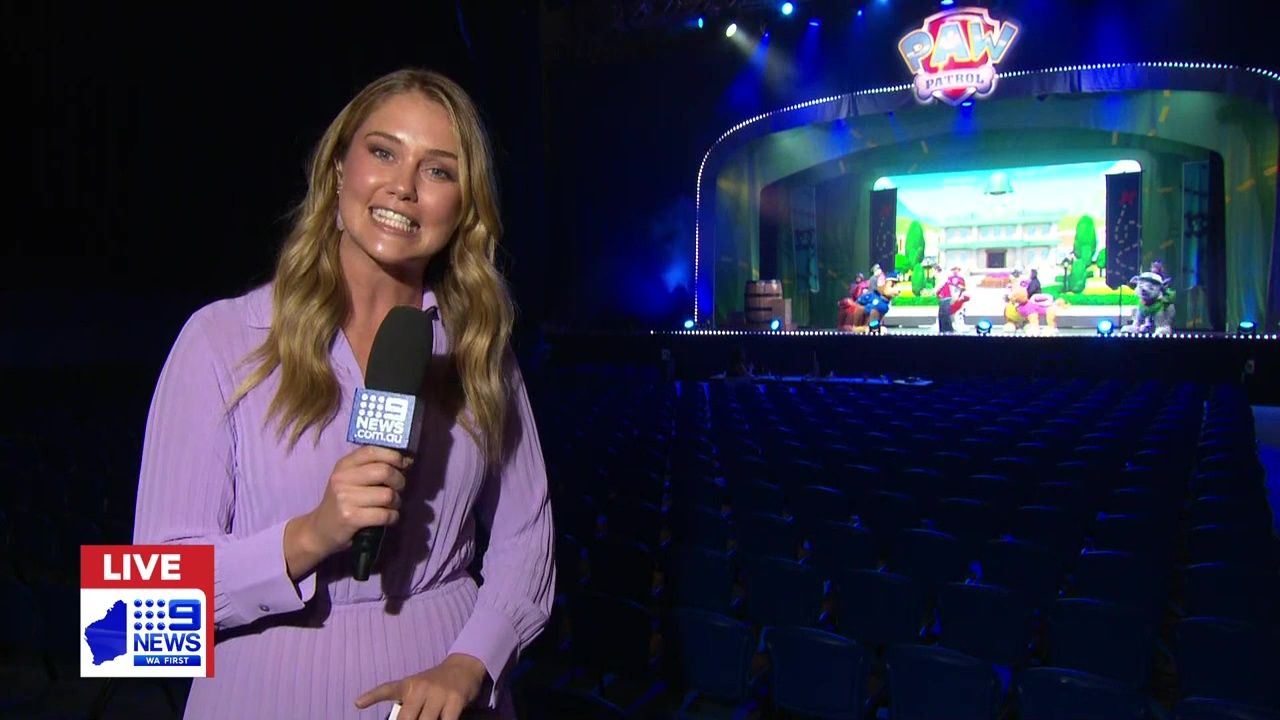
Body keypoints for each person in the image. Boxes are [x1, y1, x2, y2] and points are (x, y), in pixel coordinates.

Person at [133, 69, 554, 720]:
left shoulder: (480, 351)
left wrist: (472, 664)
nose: (404, 187)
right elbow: (140, 615)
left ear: (463, 208)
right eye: (383, 152)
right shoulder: (219, 339)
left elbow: (528, 540)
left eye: (438, 170)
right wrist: (310, 534)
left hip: (446, 693)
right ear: (336, 172)